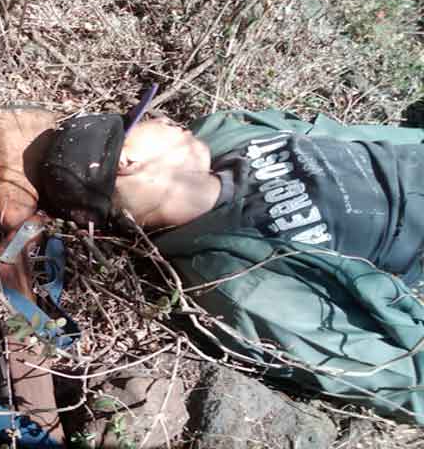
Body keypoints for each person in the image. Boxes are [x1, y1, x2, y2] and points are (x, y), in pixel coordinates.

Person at [38, 101, 424, 425]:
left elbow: (349, 135)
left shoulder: (222, 137)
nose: (163, 117)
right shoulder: (237, 281)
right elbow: (398, 380)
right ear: (127, 160)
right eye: (140, 122)